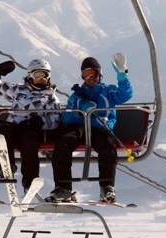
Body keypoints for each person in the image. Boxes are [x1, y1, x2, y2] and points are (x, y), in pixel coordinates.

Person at [46, 53, 132, 203]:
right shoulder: (77, 96)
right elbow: (66, 118)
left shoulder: (109, 92)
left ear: (100, 74)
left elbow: (126, 95)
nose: (90, 78)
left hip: (100, 128)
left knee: (108, 146)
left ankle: (107, 187)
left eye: (93, 74)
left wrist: (122, 75)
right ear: (82, 77)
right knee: (63, 143)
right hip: (78, 128)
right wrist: (81, 112)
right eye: (86, 75)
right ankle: (63, 188)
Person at [0, 58, 62, 194]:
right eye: (37, 75)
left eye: (44, 75)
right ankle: (6, 167)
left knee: (29, 142)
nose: (41, 79)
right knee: (3, 133)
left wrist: (40, 122)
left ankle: (30, 180)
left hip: (31, 130)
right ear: (30, 76)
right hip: (14, 126)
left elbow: (55, 120)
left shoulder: (50, 97)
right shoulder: (19, 90)